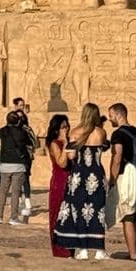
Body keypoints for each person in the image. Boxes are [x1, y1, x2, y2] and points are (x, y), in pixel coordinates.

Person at [55, 102, 109, 259]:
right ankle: (99, 249)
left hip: (79, 174)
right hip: (96, 174)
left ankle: (82, 249)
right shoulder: (101, 132)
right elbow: (104, 147)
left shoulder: (75, 132)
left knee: (79, 210)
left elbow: (71, 156)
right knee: (97, 210)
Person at [105, 101, 136, 261]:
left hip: (127, 176)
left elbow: (117, 157)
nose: (110, 120)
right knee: (134, 215)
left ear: (118, 114)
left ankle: (133, 254)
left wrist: (112, 179)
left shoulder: (118, 134)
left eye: (111, 116)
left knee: (127, 217)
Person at [0, 111, 33, 224]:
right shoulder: (22, 132)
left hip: (4, 164)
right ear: (18, 121)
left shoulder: (2, 131)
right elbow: (30, 143)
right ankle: (13, 217)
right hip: (18, 165)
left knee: (3, 192)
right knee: (15, 192)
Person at [45, 113, 72, 256]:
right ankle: (60, 248)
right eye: (63, 127)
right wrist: (66, 144)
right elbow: (62, 163)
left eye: (67, 127)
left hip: (71, 180)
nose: (66, 130)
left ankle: (70, 246)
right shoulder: (55, 144)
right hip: (59, 181)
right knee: (58, 214)